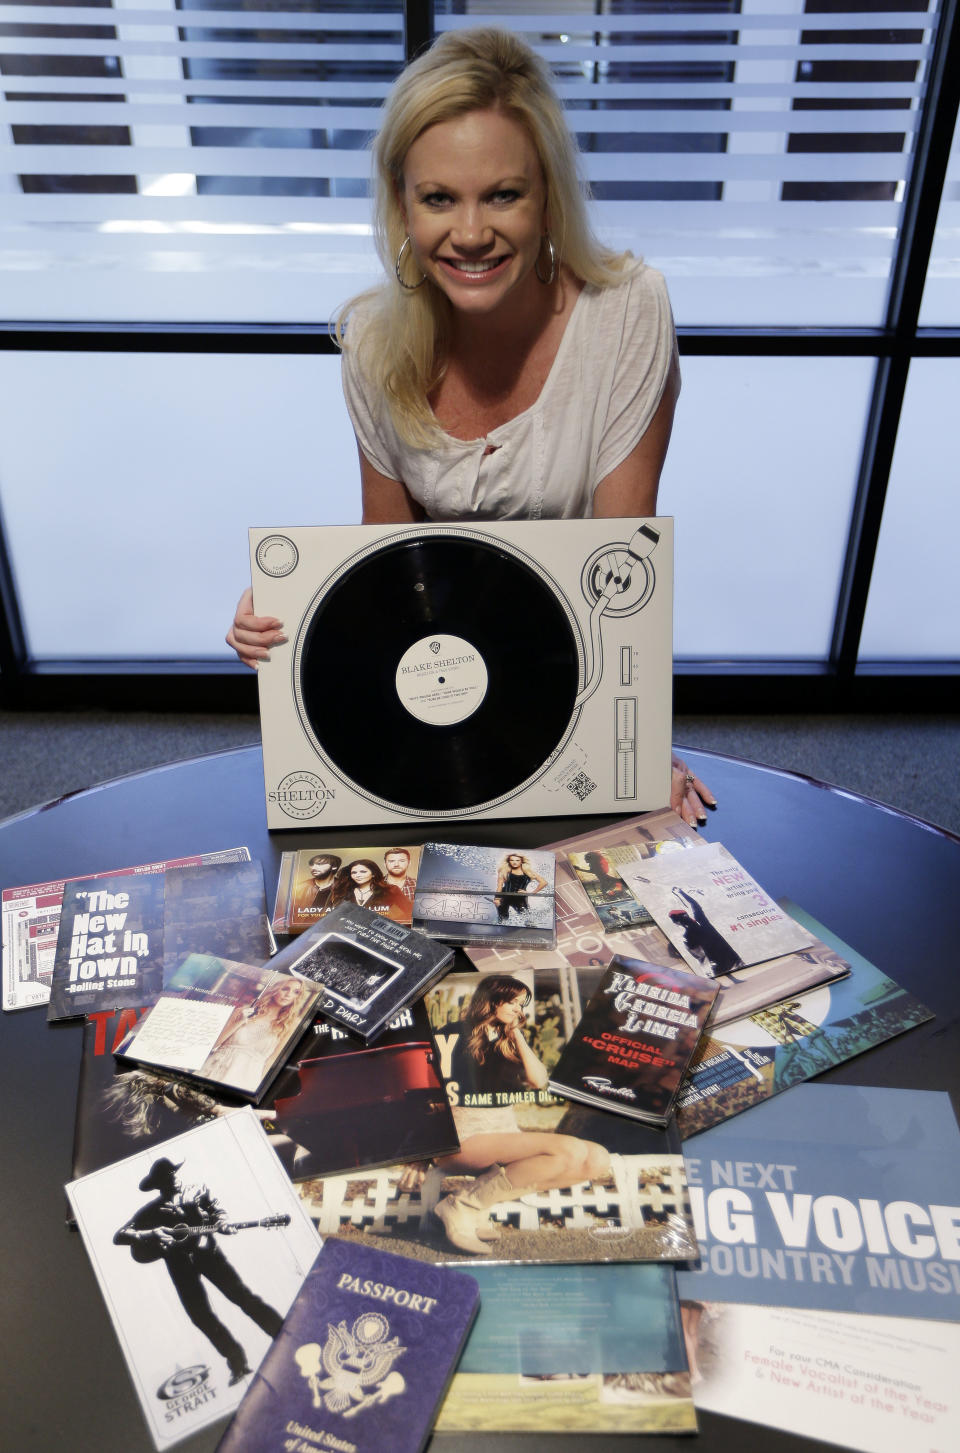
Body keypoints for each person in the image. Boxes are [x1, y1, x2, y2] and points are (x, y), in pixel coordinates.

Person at [226, 26, 713, 827]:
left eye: (504, 194)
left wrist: (629, 748)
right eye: (439, 198)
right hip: (446, 699)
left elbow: (617, 580)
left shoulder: (630, 310)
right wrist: (288, 612)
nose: (472, 233)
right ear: (402, 206)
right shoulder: (372, 347)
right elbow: (392, 577)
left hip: (568, 686)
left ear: (549, 196)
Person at [433, 974, 611, 1255]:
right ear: (492, 1000)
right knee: (568, 1151)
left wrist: (516, 1034)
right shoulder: (452, 1033)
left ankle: (477, 1205)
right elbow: (425, 1090)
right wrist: (417, 1157)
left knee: (598, 1159)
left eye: (521, 1004)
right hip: (463, 1137)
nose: (519, 1009)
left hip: (502, 1134)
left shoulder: (507, 1039)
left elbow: (539, 1080)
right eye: (513, 1002)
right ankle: (462, 1206)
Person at [113, 1156, 284, 1385]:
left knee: (242, 1296)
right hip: (178, 1264)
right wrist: (151, 1233)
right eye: (166, 1177)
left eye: (173, 1173)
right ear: (158, 1184)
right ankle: (238, 1363)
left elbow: (218, 1212)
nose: (172, 1178)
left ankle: (283, 1336)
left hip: (208, 1255)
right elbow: (119, 1236)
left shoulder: (197, 1191)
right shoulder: (150, 1212)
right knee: (200, 1316)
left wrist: (222, 1222)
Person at [203, 976, 311, 1092]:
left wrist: (261, 1087)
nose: (288, 994)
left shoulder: (289, 1024)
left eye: (296, 992)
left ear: (298, 997)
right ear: (275, 989)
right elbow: (213, 1045)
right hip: (217, 1066)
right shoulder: (243, 1011)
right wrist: (239, 1022)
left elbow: (272, 1060)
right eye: (285, 989)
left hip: (248, 1077)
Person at [330, 857, 408, 920]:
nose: (358, 875)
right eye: (354, 873)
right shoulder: (342, 891)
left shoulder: (390, 890)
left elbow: (406, 913)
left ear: (373, 874)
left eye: (363, 872)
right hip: (347, 934)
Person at [493, 851, 547, 922]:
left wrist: (532, 893)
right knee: (503, 918)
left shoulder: (528, 872)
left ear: (521, 861)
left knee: (528, 919)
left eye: (517, 860)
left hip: (520, 898)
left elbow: (544, 882)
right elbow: (499, 886)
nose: (514, 862)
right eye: (512, 860)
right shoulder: (504, 871)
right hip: (504, 896)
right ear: (509, 861)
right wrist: (497, 898)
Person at [295, 852, 342, 917]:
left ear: (334, 867)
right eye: (312, 864)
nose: (313, 868)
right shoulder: (300, 888)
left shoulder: (344, 887)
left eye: (319, 864)